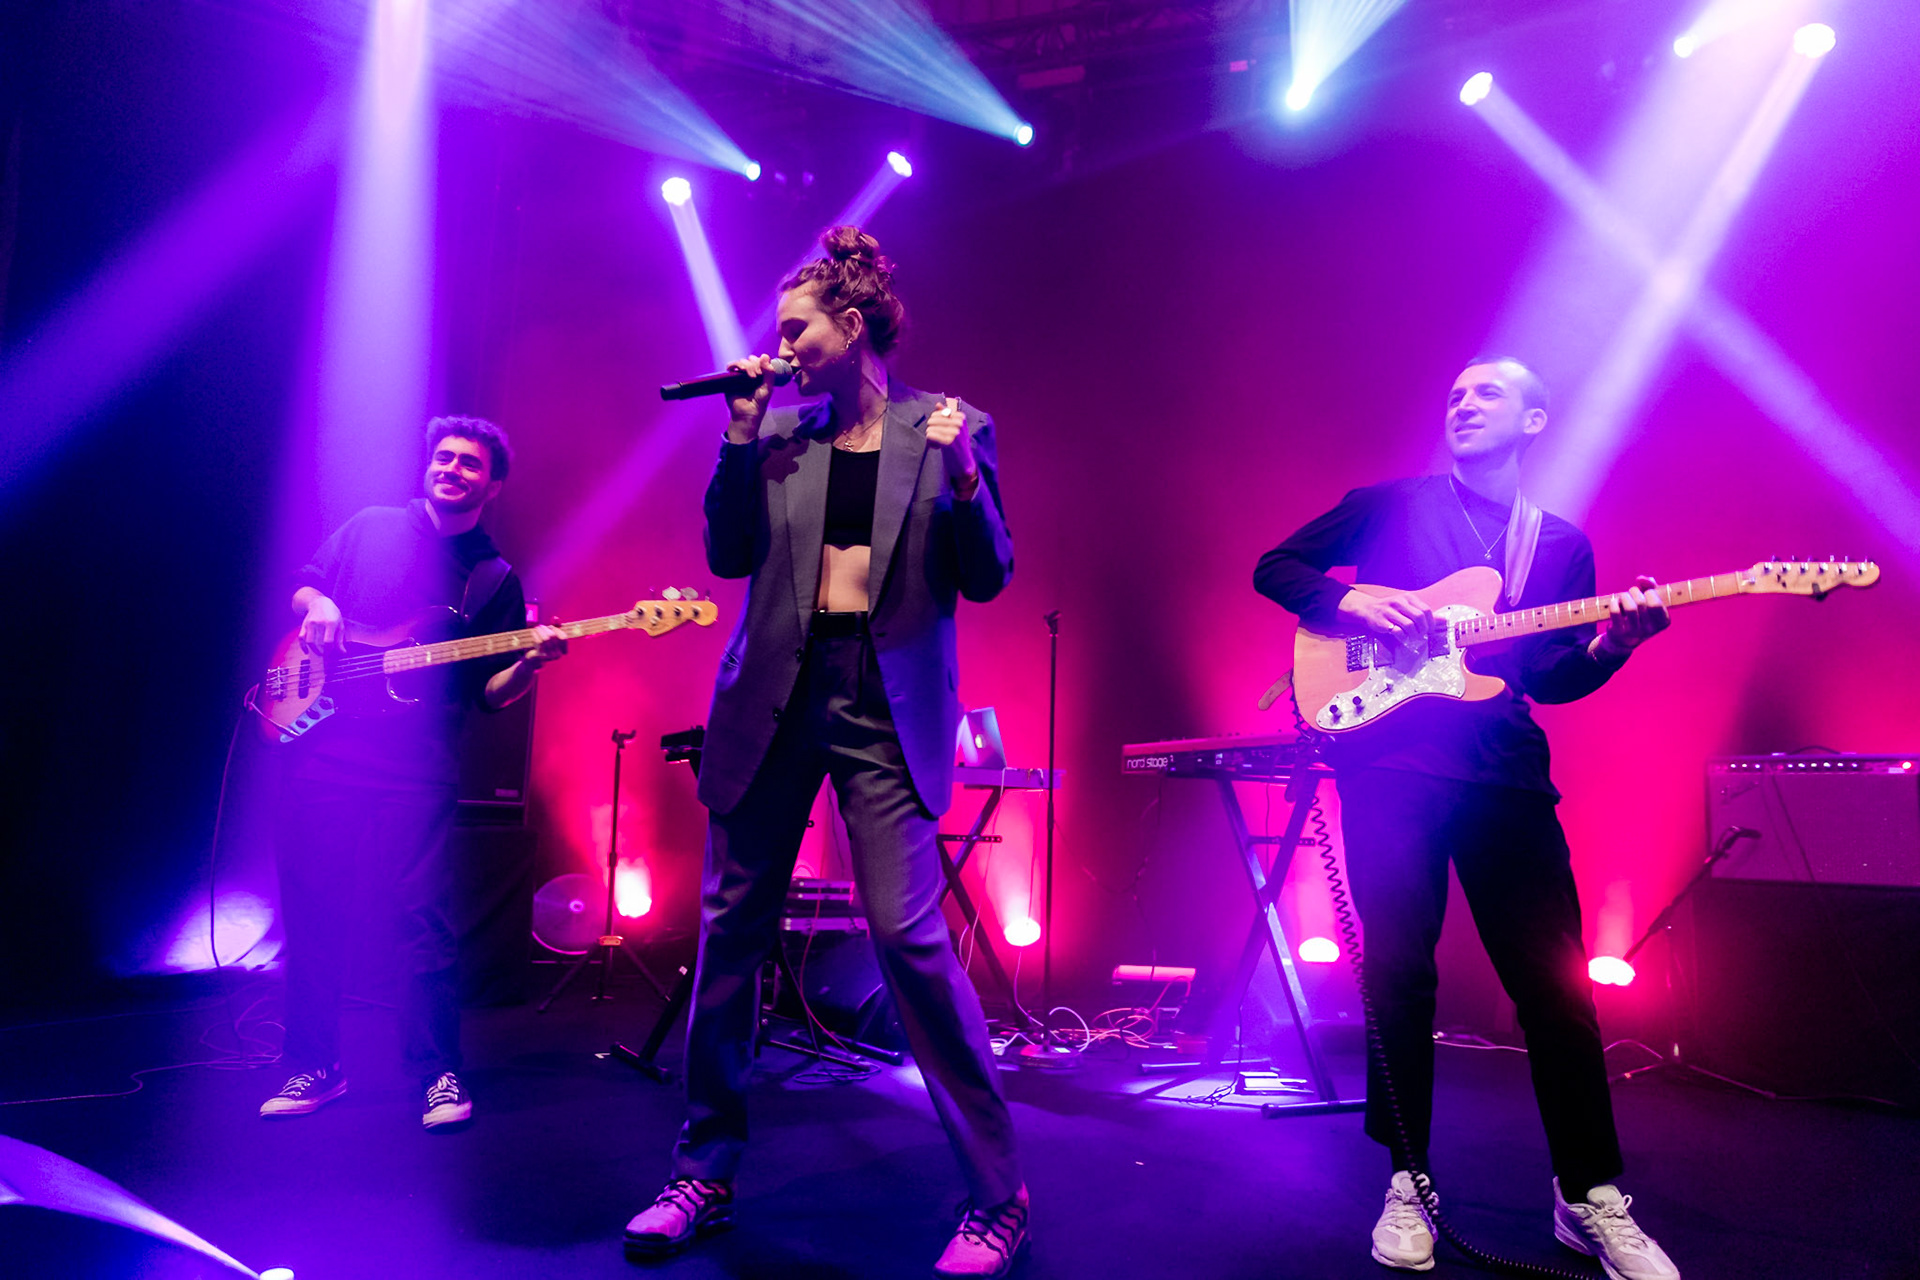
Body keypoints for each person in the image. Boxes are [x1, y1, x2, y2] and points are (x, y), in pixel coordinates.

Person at [623, 226, 1027, 1278]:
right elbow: (726, 556)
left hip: (882, 701)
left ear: (851, 327)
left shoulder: (952, 426)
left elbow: (988, 576)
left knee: (908, 934)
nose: (781, 346)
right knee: (731, 931)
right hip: (773, 692)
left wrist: (967, 480)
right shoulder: (777, 432)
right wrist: (735, 435)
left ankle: (998, 1192)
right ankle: (703, 1172)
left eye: (796, 329)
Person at [1254, 358, 1680, 1279]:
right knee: (1400, 978)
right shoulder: (1389, 504)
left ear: (1534, 421)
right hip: (1391, 769)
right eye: (1454, 394)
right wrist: (1349, 596)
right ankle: (1408, 1179)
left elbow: (1551, 677)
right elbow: (1273, 567)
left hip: (1505, 778)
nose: (1463, 403)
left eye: (1487, 393)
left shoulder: (1557, 544)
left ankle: (1588, 1192)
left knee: (1557, 989)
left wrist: (1612, 644)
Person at [259, 416, 567, 1131]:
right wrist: (320, 603)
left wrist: (527, 662)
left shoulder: (494, 578)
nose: (452, 469)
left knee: (422, 918)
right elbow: (303, 589)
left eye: (469, 463)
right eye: (444, 457)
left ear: (493, 485)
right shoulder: (371, 527)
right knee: (313, 910)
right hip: (325, 749)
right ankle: (314, 1065)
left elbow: (489, 694)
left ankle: (436, 1072)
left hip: (416, 767)